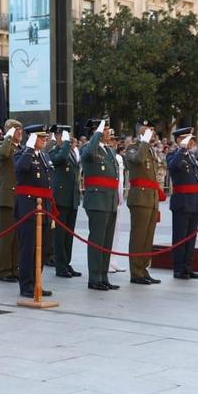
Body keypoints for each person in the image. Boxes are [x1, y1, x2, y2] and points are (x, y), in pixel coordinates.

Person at [14, 125, 53, 299]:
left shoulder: (44, 156)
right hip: (28, 207)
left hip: (44, 207)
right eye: (41, 137)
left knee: (42, 249)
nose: (44, 140)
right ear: (31, 139)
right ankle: (26, 285)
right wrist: (29, 148)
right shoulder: (21, 154)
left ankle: (37, 282)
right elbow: (21, 169)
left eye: (45, 138)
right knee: (28, 249)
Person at [80, 119, 119, 291]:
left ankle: (103, 276)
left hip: (109, 200)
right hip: (97, 201)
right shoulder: (89, 148)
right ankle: (94, 278)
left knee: (106, 241)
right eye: (105, 129)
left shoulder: (108, 151)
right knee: (97, 241)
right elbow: (88, 153)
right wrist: (97, 133)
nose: (108, 133)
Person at [124, 122, 163, 285]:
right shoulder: (133, 148)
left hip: (151, 198)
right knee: (138, 237)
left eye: (153, 131)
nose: (152, 133)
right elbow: (138, 160)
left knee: (148, 237)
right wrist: (145, 142)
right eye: (149, 131)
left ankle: (143, 268)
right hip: (140, 198)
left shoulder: (151, 149)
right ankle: (135, 272)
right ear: (141, 132)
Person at [0, 119, 22, 284]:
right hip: (3, 199)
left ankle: (14, 268)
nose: (20, 133)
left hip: (16, 199)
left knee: (15, 239)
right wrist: (7, 137)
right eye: (17, 130)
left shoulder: (18, 149)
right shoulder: (2, 148)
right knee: (5, 238)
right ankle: (4, 270)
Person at [167, 128, 198, 280]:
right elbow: (173, 166)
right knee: (180, 237)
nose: (191, 142)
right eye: (187, 139)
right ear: (179, 140)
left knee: (190, 237)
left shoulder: (191, 156)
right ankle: (178, 268)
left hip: (194, 201)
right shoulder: (173, 155)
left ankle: (188, 267)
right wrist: (181, 149)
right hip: (182, 202)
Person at [49, 125, 81, 279]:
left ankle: (66, 263)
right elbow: (60, 159)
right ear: (57, 137)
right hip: (60, 199)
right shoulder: (54, 151)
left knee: (69, 235)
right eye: (63, 136)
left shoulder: (71, 151)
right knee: (60, 235)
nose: (67, 139)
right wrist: (67, 144)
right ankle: (60, 265)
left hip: (72, 198)